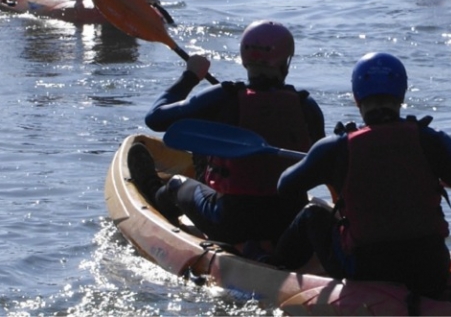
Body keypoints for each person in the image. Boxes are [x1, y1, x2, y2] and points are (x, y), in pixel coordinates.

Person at [271, 52, 451, 299]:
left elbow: (285, 186)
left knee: (312, 215)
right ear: (401, 94)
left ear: (356, 97)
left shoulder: (335, 148)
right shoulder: (432, 141)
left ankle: (269, 269)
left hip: (366, 270)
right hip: (430, 268)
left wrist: (319, 164)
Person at [129, 21, 326, 252]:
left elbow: (155, 118)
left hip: (229, 223)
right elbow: (318, 167)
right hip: (289, 223)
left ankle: (155, 194)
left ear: (244, 59)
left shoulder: (223, 97)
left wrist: (191, 76)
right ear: (286, 62)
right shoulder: (306, 106)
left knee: (176, 184)